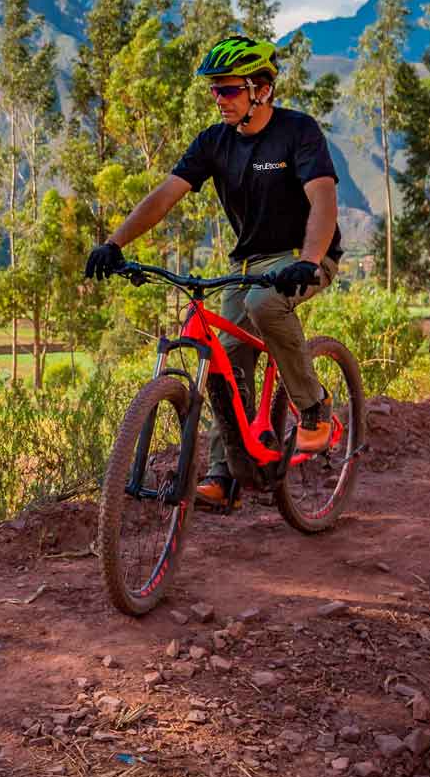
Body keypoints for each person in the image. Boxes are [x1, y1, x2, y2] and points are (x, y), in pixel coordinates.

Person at [82, 34, 342, 507]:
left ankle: (313, 410)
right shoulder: (214, 143)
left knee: (265, 305)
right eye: (214, 91)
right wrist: (113, 242)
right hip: (245, 263)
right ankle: (225, 478)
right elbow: (164, 195)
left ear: (261, 88)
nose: (218, 99)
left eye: (228, 89)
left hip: (304, 254)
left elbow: (323, 200)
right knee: (224, 363)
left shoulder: (297, 132)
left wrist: (307, 260)